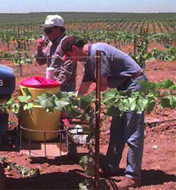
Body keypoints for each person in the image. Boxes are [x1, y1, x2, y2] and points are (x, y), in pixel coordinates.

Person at [60, 36, 147, 189]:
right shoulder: (89, 59)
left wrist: (90, 102)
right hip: (122, 88)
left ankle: (133, 176)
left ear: (74, 49)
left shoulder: (97, 53)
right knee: (117, 129)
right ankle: (111, 166)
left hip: (134, 85)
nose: (71, 60)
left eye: (70, 56)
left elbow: (102, 84)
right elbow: (85, 84)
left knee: (133, 131)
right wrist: (73, 105)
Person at [35, 15, 77, 92]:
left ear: (58, 29)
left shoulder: (67, 43)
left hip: (64, 88)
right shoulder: (51, 44)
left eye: (48, 30)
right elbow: (41, 61)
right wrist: (39, 49)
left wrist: (55, 85)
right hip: (53, 85)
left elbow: (68, 68)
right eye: (45, 30)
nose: (46, 34)